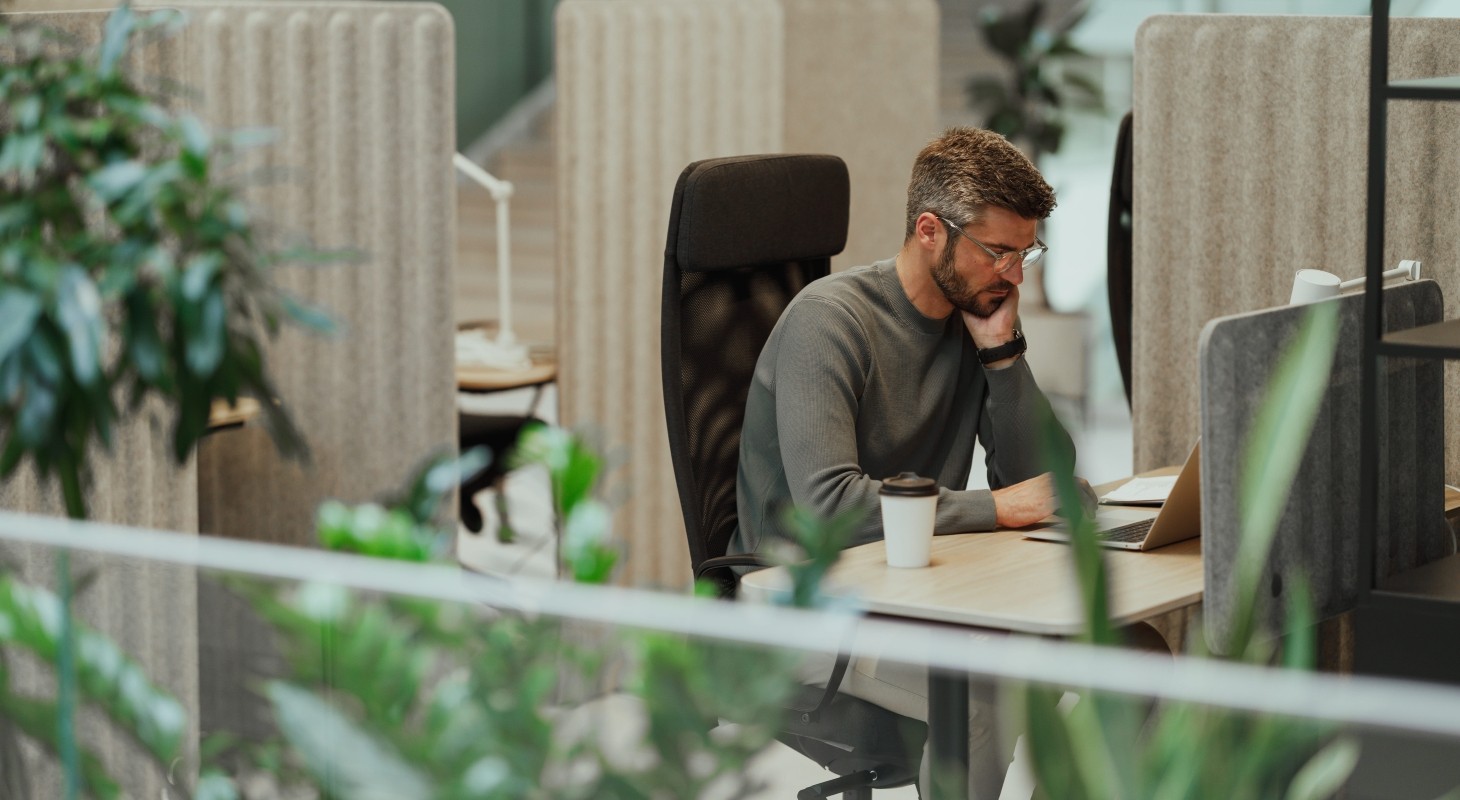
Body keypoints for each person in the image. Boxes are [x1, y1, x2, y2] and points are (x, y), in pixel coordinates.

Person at [731, 127, 1092, 798]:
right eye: (998, 252)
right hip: (803, 606)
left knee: (1144, 662)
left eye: (1026, 252)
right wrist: (998, 508)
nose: (1015, 274)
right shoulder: (829, 322)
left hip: (919, 596)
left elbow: (1041, 480)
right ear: (930, 230)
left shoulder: (976, 315)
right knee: (983, 692)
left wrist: (1003, 355)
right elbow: (829, 506)